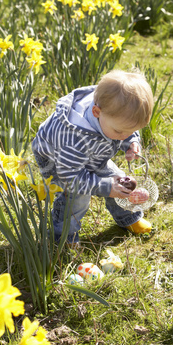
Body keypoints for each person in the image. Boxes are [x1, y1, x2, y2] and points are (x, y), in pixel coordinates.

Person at [32, 69, 154, 245]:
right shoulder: (74, 138)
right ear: (96, 112)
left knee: (120, 180)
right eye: (120, 131)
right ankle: (63, 236)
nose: (123, 136)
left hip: (93, 149)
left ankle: (128, 218)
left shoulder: (112, 110)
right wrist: (105, 186)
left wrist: (131, 141)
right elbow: (71, 177)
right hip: (58, 160)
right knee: (77, 197)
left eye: (130, 130)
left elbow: (125, 128)